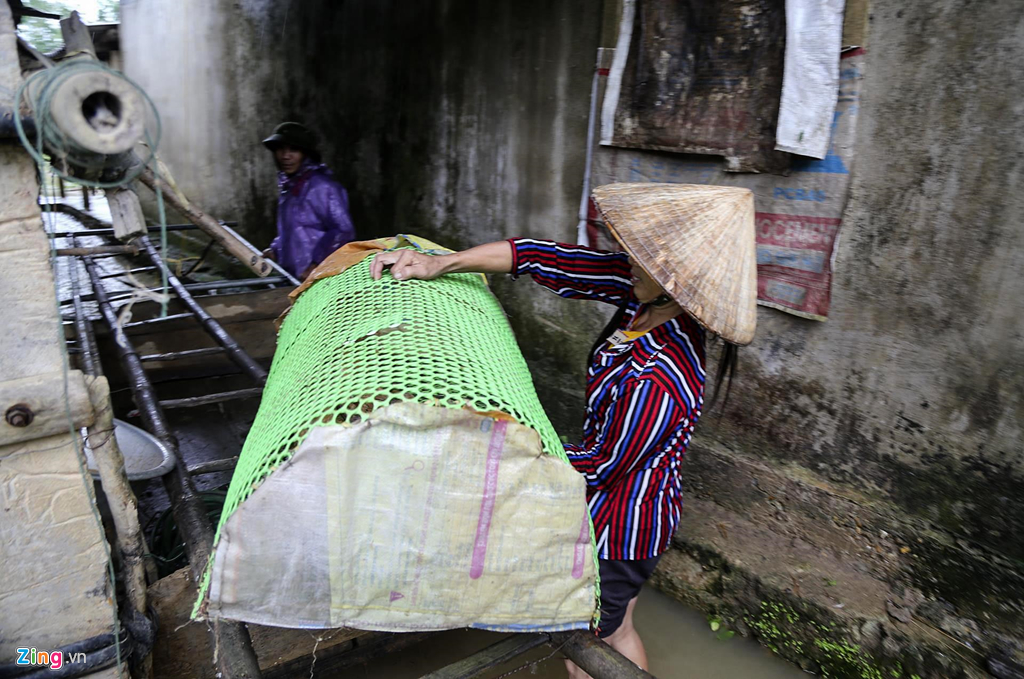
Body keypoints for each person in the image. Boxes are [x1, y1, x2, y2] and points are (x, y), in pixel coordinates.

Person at [369, 184, 756, 676]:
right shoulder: (644, 293)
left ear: (680, 281)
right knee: (618, 627)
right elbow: (536, 256)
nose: (628, 260)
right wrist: (440, 264)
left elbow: (601, 462)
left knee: (588, 642)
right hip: (612, 505)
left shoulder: (662, 375)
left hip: (625, 524)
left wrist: (500, 450)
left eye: (643, 257)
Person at [261, 122, 355, 279]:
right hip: (294, 277)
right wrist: (276, 249)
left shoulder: (322, 188)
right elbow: (295, 228)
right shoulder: (290, 187)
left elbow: (343, 230)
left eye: (294, 150)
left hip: (318, 279)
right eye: (280, 149)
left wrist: (317, 265)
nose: (285, 156)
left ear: (306, 154)